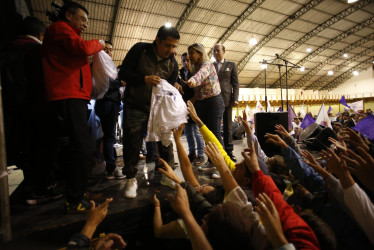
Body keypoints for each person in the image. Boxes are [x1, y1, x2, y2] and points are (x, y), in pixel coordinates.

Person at [42, 1, 104, 213]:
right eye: (83, 19)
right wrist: (101, 43)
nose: (86, 24)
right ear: (69, 15)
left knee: (79, 146)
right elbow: (83, 48)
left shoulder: (67, 35)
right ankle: (75, 199)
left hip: (74, 96)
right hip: (67, 95)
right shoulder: (60, 29)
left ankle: (76, 192)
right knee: (81, 147)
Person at [118, 25, 180, 198]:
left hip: (159, 109)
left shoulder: (173, 64)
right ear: (157, 40)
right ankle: (131, 178)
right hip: (136, 105)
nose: (171, 50)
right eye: (168, 45)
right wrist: (143, 79)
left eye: (174, 46)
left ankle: (168, 176)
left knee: (166, 143)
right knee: (132, 140)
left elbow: (170, 89)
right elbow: (123, 73)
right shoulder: (140, 50)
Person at [184, 43, 224, 178]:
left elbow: (201, 75)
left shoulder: (207, 64)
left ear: (200, 54)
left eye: (192, 53)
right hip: (203, 103)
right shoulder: (194, 67)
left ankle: (222, 166)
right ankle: (212, 161)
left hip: (213, 102)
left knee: (215, 135)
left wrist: (192, 81)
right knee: (207, 135)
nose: (189, 56)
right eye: (188, 53)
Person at [95, 41, 125, 180]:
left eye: (110, 49)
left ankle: (109, 166)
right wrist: (120, 82)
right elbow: (108, 83)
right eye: (105, 49)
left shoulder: (105, 64)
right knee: (109, 136)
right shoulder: (100, 63)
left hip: (104, 103)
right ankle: (111, 168)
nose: (108, 51)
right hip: (108, 102)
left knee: (107, 135)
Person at [177, 52, 205, 165]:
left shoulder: (196, 72)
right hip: (183, 107)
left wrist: (190, 104)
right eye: (184, 60)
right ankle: (192, 153)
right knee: (188, 132)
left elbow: (197, 93)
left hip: (194, 106)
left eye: (188, 60)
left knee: (197, 131)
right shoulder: (180, 73)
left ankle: (201, 155)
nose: (186, 62)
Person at [212, 44, 239, 162]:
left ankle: (229, 151)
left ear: (224, 51)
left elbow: (235, 83)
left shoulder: (231, 65)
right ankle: (217, 150)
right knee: (215, 127)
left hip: (227, 99)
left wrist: (235, 98)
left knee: (228, 127)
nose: (216, 53)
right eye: (214, 51)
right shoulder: (211, 65)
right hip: (213, 100)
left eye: (218, 51)